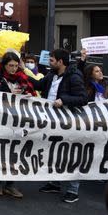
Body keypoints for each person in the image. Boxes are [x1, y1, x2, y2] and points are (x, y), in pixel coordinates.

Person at [38, 49, 88, 203]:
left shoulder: (73, 76)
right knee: (55, 152)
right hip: (53, 121)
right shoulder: (52, 75)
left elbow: (83, 98)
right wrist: (20, 71)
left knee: (70, 154)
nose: (49, 62)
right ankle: (55, 183)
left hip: (69, 122)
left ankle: (73, 190)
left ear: (60, 62)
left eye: (52, 60)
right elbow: (38, 85)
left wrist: (64, 100)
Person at [0, 52, 38, 199]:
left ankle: (10, 184)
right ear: (4, 65)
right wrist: (9, 93)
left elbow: (33, 94)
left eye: (16, 66)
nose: (13, 69)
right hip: (0, 121)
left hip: (18, 122)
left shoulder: (23, 79)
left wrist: (27, 96)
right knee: (0, 151)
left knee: (14, 152)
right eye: (10, 65)